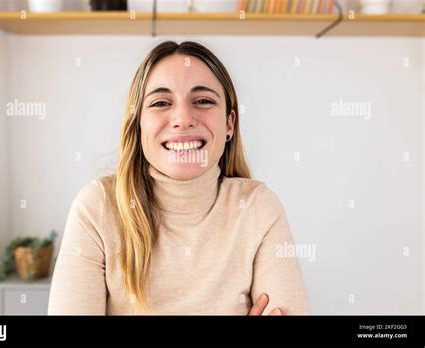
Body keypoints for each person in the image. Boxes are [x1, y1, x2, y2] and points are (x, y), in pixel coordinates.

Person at [48, 40, 310, 315]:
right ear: (138, 124)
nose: (183, 118)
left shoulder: (258, 207)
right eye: (161, 103)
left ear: (229, 123)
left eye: (203, 101)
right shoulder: (97, 207)